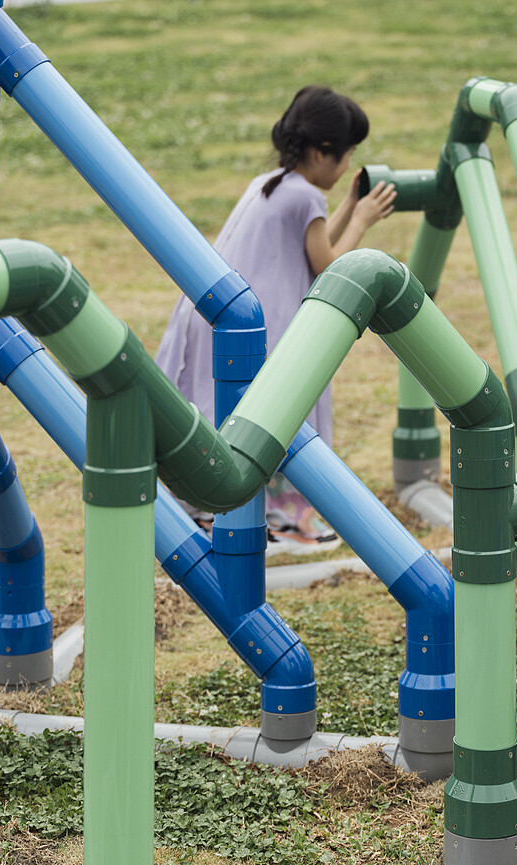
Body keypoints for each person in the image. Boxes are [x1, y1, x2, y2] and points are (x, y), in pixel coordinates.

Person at [156, 85, 396, 547]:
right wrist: (363, 220)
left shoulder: (275, 184)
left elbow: (313, 247)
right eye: (347, 154)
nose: (348, 163)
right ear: (321, 151)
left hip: (213, 316)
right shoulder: (304, 197)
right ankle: (277, 519)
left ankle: (209, 506)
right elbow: (329, 268)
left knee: (227, 410)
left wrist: (348, 204)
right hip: (264, 325)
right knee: (279, 413)